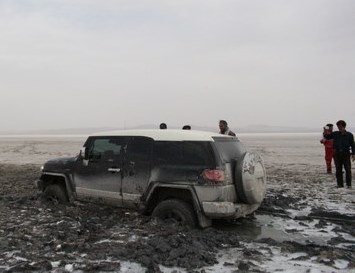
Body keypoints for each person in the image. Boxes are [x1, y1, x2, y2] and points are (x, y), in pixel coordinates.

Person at [324, 120, 355, 188]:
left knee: (348, 169)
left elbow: (353, 145)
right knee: (338, 170)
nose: (339, 128)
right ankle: (340, 185)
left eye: (340, 127)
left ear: (344, 126)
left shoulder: (350, 135)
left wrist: (353, 154)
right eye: (338, 127)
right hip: (337, 154)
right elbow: (327, 137)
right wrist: (325, 129)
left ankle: (349, 185)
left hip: (346, 154)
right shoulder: (335, 134)